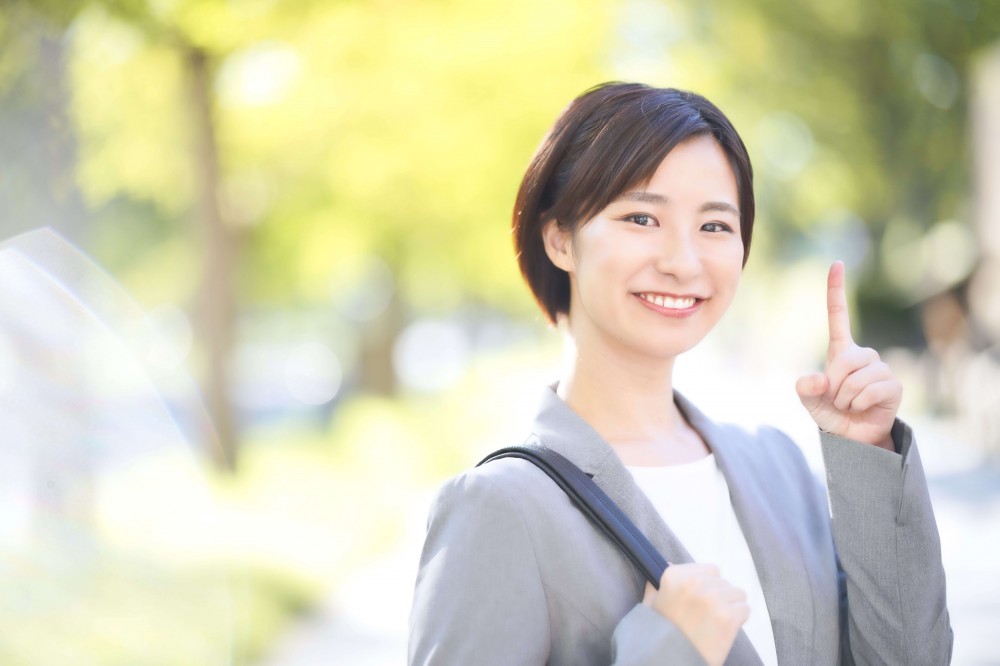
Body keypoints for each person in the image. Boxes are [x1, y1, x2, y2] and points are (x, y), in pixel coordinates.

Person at [407, 82, 952, 665]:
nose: (682, 261)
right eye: (641, 217)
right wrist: (665, 651)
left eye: (714, 226)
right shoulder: (500, 507)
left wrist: (868, 451)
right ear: (560, 238)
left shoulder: (777, 468)